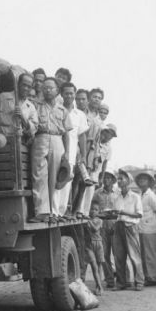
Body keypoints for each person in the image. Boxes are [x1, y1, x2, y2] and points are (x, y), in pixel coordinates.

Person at [29, 78, 72, 222]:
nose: (47, 90)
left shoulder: (62, 110)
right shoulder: (36, 106)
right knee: (39, 175)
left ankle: (53, 213)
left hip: (57, 140)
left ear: (57, 91)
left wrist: (67, 152)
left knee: (54, 177)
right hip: (40, 138)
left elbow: (66, 133)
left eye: (51, 88)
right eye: (45, 88)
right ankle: (41, 212)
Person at [54, 82, 88, 217]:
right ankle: (54, 212)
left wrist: (84, 155)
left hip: (72, 154)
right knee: (56, 181)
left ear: (75, 94)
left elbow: (82, 136)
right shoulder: (56, 109)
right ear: (61, 94)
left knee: (66, 182)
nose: (69, 96)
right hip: (57, 150)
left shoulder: (79, 114)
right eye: (66, 93)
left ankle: (61, 213)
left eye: (71, 93)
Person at [112, 170, 144, 291]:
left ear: (128, 181)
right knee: (119, 256)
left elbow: (139, 215)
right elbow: (116, 214)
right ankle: (121, 282)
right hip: (119, 226)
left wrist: (123, 212)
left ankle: (139, 281)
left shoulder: (135, 197)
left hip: (130, 227)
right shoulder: (117, 197)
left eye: (121, 179)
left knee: (134, 256)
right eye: (118, 179)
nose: (119, 181)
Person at [0, 72, 38, 138]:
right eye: (24, 85)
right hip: (1, 141)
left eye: (29, 87)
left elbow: (33, 130)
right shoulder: (3, 97)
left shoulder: (31, 107)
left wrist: (23, 117)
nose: (26, 88)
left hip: (20, 143)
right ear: (18, 84)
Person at [135, 172, 156, 285]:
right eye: (140, 179)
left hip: (150, 228)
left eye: (144, 179)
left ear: (149, 182)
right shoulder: (140, 195)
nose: (142, 181)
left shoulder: (151, 196)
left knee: (151, 254)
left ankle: (154, 277)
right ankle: (148, 276)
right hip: (142, 228)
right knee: (144, 254)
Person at [93, 170, 118, 288]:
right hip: (102, 224)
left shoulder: (117, 193)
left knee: (118, 253)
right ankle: (109, 279)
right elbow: (93, 208)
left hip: (115, 224)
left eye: (109, 178)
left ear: (113, 180)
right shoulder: (97, 193)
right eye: (104, 178)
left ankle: (123, 278)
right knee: (104, 254)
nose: (106, 180)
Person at [84, 201, 105, 295]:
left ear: (99, 211)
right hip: (89, 245)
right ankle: (100, 287)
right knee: (94, 266)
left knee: (99, 266)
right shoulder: (85, 220)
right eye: (91, 209)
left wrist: (89, 221)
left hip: (98, 244)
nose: (93, 211)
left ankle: (98, 285)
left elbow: (95, 229)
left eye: (96, 209)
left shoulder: (100, 220)